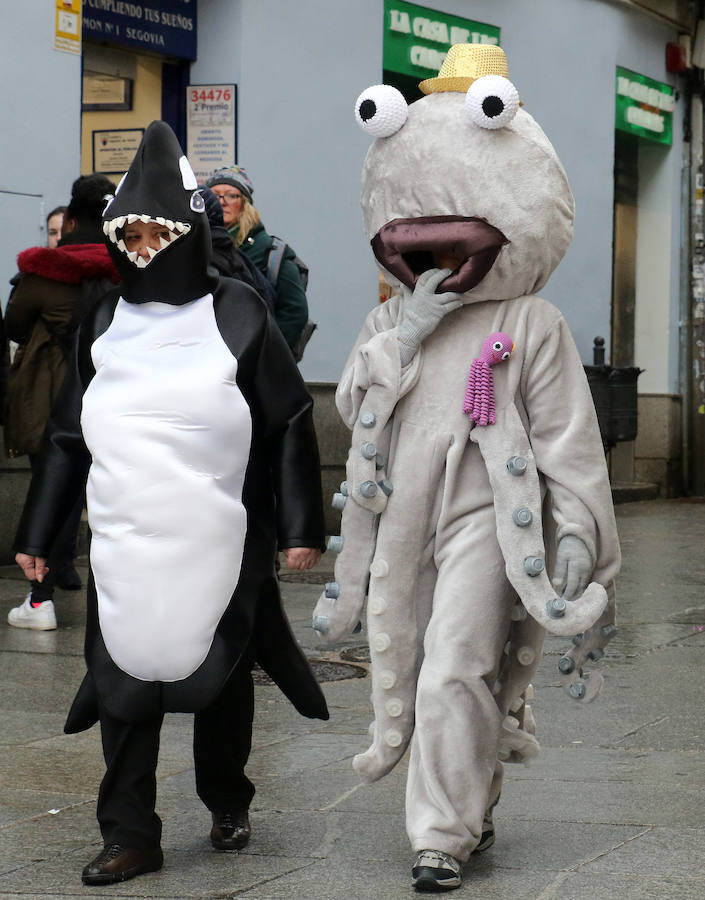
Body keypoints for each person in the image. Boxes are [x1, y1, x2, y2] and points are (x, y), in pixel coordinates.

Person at [313, 45, 620, 892]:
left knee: (457, 662)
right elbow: (350, 408)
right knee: (409, 661)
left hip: (488, 516)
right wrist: (404, 335)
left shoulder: (529, 321)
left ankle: (439, 835)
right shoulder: (388, 324)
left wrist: (575, 532)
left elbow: (565, 437)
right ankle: (473, 805)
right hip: (402, 515)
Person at [13, 121, 327, 886]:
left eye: (159, 232)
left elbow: (288, 419)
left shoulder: (240, 313)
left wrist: (298, 526)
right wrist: (41, 536)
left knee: (217, 679)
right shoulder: (104, 319)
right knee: (123, 684)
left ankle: (226, 797)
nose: (145, 246)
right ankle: (129, 831)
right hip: (124, 539)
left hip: (218, 536)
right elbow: (66, 438)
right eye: (133, 233)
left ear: (187, 233)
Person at [4, 175, 119, 630]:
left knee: (49, 486)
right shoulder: (129, 269)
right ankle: (103, 593)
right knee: (109, 493)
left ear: (69, 219)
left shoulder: (43, 271)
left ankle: (40, 598)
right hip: (113, 396)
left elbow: (14, 325)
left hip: (51, 395)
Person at [205, 165, 309, 354]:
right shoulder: (198, 247)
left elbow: (294, 312)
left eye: (231, 195)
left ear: (244, 203)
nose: (222, 202)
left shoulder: (271, 251)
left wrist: (269, 357)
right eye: (215, 195)